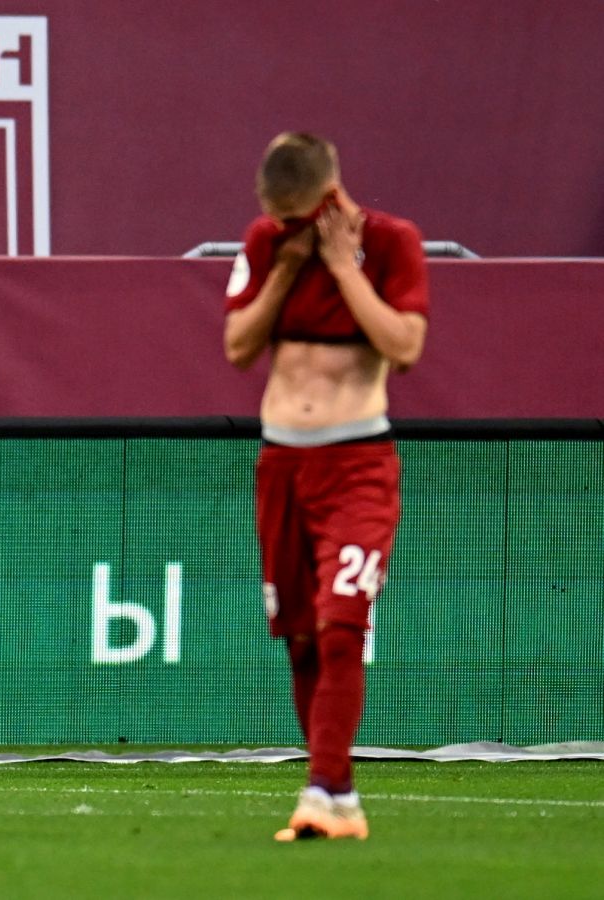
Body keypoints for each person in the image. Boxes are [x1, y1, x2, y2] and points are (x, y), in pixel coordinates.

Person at [223, 132, 429, 840]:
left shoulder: (392, 242)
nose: (284, 226)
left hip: (357, 464)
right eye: (276, 217)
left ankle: (318, 791)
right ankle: (338, 797)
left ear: (329, 195)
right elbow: (238, 346)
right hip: (282, 462)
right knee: (302, 638)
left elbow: (404, 347)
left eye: (295, 216)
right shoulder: (267, 241)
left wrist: (343, 267)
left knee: (343, 624)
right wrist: (286, 267)